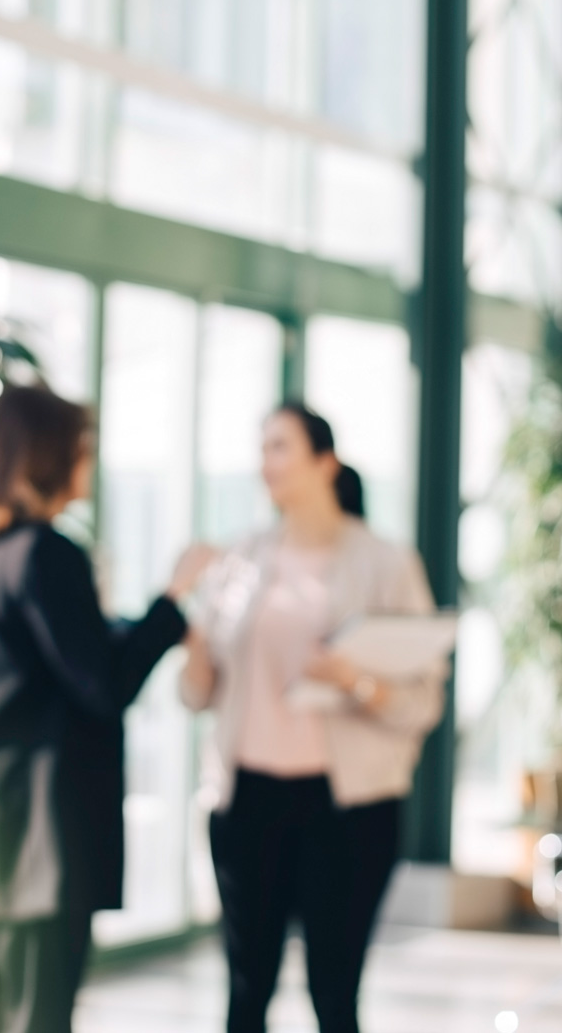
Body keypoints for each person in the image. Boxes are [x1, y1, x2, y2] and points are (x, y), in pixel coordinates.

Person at [0, 387, 210, 1033]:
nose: (88, 460)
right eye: (80, 447)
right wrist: (172, 601)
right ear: (48, 455)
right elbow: (104, 682)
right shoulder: (46, 552)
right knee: (38, 1014)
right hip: (41, 840)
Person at [180, 403, 444, 1033]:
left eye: (280, 447)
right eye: (261, 447)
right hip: (247, 803)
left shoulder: (386, 563)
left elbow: (423, 703)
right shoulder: (240, 560)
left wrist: (354, 679)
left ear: (325, 463)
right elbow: (197, 696)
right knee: (247, 993)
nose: (264, 463)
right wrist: (189, 638)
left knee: (334, 994)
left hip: (348, 810)